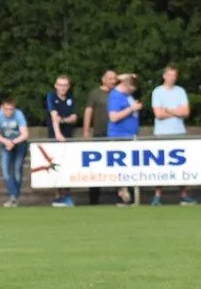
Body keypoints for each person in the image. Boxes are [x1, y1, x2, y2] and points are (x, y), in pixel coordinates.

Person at [83, 70, 130, 206]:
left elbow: (131, 79)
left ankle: (121, 198)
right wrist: (86, 130)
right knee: (97, 167)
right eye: (110, 78)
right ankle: (93, 199)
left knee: (118, 166)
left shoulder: (120, 92)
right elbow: (88, 111)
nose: (113, 81)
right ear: (103, 79)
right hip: (100, 134)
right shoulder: (95, 94)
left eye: (115, 79)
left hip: (117, 134)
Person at [151, 65, 195, 206]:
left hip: (179, 132)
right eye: (169, 75)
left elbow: (186, 112)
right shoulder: (157, 92)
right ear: (164, 76)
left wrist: (168, 109)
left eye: (174, 75)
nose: (172, 78)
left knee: (181, 165)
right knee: (161, 165)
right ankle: (157, 196)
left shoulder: (180, 91)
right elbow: (158, 114)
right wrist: (177, 111)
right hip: (162, 133)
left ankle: (183, 195)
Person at [0, 96, 29, 207]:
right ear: (2, 108)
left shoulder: (19, 114)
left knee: (17, 170)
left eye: (11, 109)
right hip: (5, 144)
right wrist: (7, 142)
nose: (9, 112)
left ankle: (14, 197)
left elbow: (25, 134)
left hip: (20, 144)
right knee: (6, 171)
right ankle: (13, 196)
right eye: (6, 109)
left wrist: (13, 142)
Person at [45, 75, 77, 207]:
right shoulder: (51, 96)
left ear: (68, 86)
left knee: (68, 165)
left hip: (69, 136)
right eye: (60, 85)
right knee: (56, 165)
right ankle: (58, 196)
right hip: (55, 137)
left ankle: (67, 195)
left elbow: (74, 117)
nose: (62, 88)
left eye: (65, 85)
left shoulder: (71, 98)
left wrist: (63, 120)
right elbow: (54, 116)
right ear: (55, 85)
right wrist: (58, 134)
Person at [107, 73, 142, 141]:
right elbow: (113, 117)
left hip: (130, 136)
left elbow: (134, 76)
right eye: (131, 88)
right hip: (119, 137)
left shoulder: (127, 95)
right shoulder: (115, 96)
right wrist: (132, 108)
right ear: (125, 85)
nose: (133, 90)